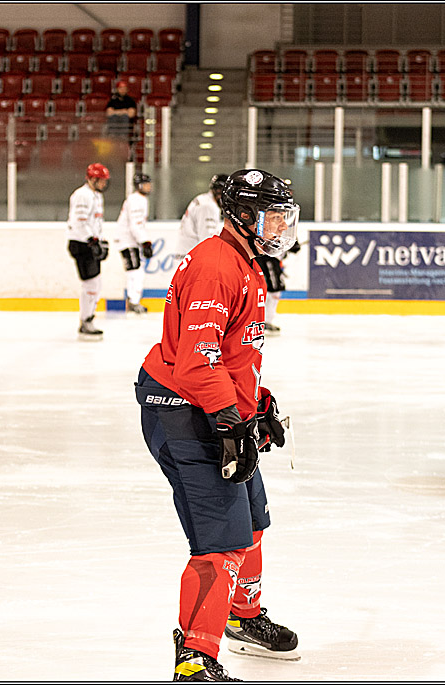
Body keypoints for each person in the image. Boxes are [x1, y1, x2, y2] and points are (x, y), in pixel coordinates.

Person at [135, 169, 301, 680]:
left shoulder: (244, 262)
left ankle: (243, 618)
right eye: (272, 216)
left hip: (211, 404)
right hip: (183, 408)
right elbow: (197, 359)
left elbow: (231, 354)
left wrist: (257, 406)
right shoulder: (215, 265)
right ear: (244, 216)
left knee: (251, 521)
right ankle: (195, 660)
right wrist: (230, 423)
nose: (280, 227)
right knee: (221, 540)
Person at [67, 162, 110, 340]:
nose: (104, 184)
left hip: (90, 243)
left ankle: (89, 318)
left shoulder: (96, 196)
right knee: (90, 285)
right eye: (101, 181)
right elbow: (79, 221)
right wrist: (91, 240)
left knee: (96, 284)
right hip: (82, 244)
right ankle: (86, 321)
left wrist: (100, 240)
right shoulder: (82, 195)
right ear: (92, 179)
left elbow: (95, 222)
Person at [116, 172, 154, 315]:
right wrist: (145, 242)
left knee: (135, 271)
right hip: (128, 240)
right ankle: (133, 301)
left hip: (128, 240)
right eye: (146, 184)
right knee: (136, 272)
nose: (149, 187)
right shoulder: (136, 200)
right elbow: (135, 224)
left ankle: (133, 300)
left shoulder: (138, 199)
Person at [255, 241, 302, 336]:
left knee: (274, 290)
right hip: (267, 259)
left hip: (273, 260)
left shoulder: (287, 228)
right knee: (272, 289)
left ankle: (265, 320)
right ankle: (263, 321)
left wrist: (292, 246)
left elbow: (294, 247)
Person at [175, 174, 227, 259]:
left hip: (186, 254)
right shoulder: (208, 206)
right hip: (192, 256)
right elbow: (207, 239)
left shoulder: (203, 199)